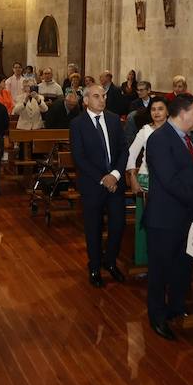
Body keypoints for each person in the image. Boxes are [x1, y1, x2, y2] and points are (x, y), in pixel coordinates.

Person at [142, 96, 193, 340]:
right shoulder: (159, 139)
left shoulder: (191, 139)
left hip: (189, 217)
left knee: (183, 267)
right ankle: (157, 316)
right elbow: (169, 180)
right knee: (160, 270)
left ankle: (176, 308)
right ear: (182, 114)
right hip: (165, 218)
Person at [71, 84, 129, 287]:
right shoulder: (78, 124)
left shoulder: (113, 119)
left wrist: (114, 175)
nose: (102, 99)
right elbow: (79, 157)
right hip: (92, 184)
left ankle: (110, 262)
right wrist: (103, 178)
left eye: (103, 96)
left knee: (118, 224)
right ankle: (94, 266)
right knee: (93, 228)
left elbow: (124, 150)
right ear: (86, 100)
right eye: (96, 96)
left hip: (115, 183)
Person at [125, 96, 169, 269]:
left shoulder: (175, 130)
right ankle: (144, 261)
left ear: (167, 111)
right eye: (153, 109)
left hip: (168, 183)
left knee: (165, 223)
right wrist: (133, 179)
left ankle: (164, 261)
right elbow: (130, 156)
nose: (156, 113)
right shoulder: (145, 131)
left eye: (160, 109)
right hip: (146, 180)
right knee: (145, 223)